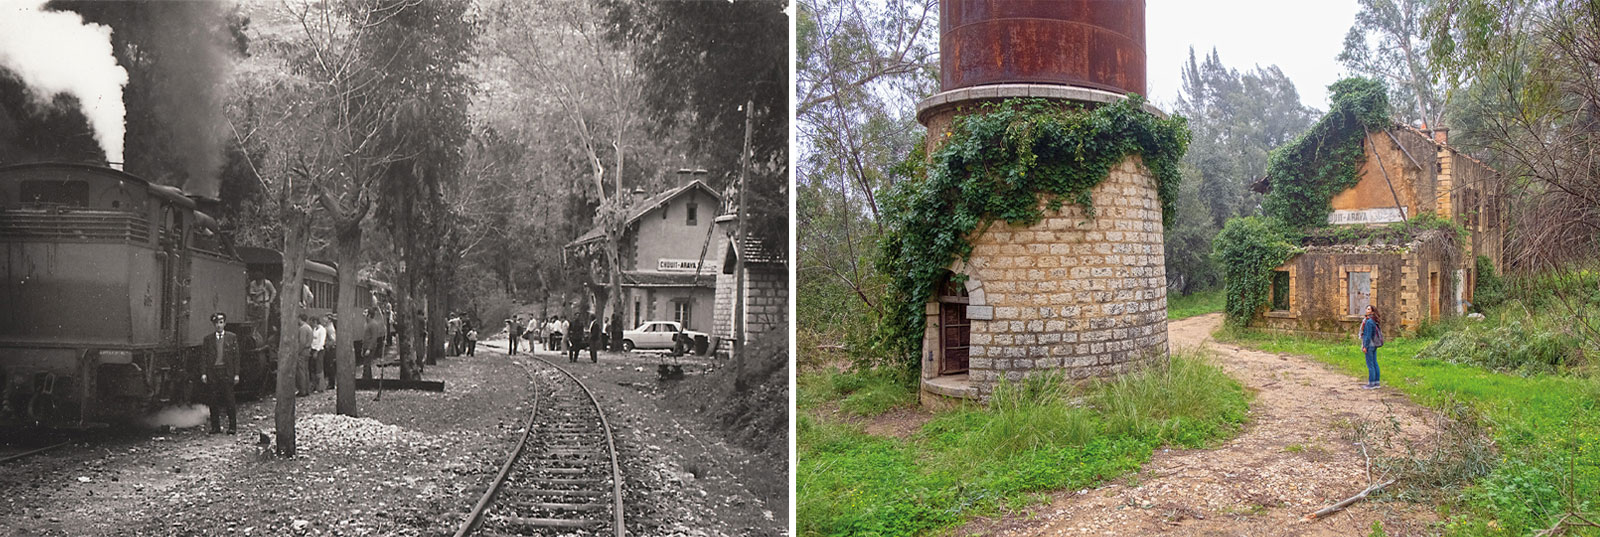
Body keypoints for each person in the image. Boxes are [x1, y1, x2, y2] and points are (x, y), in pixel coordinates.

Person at [200, 313, 240, 434]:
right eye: (217, 323)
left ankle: (232, 427)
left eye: (221, 322)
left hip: (226, 372)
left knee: (229, 400)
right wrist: (203, 373)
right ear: (214, 325)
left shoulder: (232, 337)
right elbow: (204, 357)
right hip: (213, 372)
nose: (219, 325)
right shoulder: (208, 339)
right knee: (213, 401)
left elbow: (236, 357)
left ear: (225, 324)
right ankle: (215, 427)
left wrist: (236, 374)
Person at [1360, 304, 1384, 389]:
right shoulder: (1374, 320)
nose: (1367, 310)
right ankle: (1376, 383)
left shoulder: (1369, 321)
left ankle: (1371, 384)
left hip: (1370, 345)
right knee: (1374, 363)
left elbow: (1368, 335)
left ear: (1372, 311)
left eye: (1369, 309)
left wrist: (1365, 346)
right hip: (1374, 344)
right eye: (1366, 308)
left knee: (1370, 364)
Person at [364, 307, 387, 379]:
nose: (363, 314)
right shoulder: (367, 323)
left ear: (369, 315)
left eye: (365, 312)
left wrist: (369, 349)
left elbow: (374, 338)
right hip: (365, 346)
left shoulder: (373, 324)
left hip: (369, 347)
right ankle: (369, 379)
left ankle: (365, 380)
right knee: (367, 364)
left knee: (366, 364)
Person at [295, 314, 314, 396]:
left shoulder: (303, 328)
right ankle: (307, 390)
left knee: (301, 372)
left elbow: (302, 342)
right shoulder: (309, 327)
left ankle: (302, 391)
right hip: (307, 351)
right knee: (306, 371)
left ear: (300, 319)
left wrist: (297, 352)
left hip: (302, 352)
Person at [309, 316, 327, 393]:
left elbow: (322, 342)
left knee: (319, 368)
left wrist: (317, 351)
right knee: (312, 368)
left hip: (319, 350)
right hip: (313, 349)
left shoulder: (322, 330)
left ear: (315, 322)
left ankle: (320, 387)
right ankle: (314, 385)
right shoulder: (314, 329)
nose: (311, 324)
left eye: (311, 322)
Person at [323, 314, 338, 390]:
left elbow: (333, 339)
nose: (323, 319)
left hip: (330, 349)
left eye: (325, 318)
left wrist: (327, 345)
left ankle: (331, 384)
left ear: (329, 319)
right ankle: (330, 383)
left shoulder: (330, 328)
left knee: (330, 366)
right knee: (329, 366)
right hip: (330, 348)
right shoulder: (328, 327)